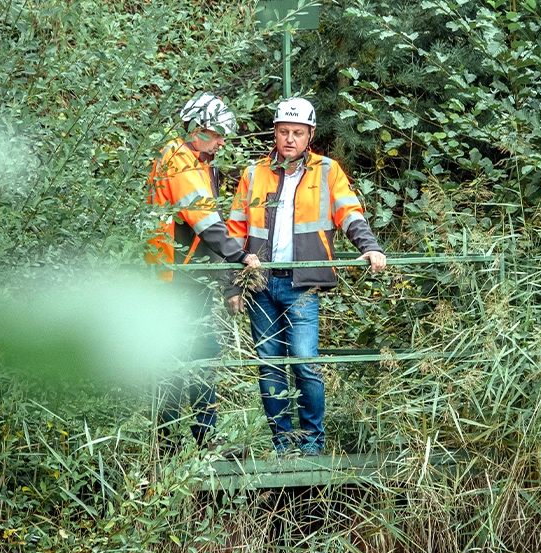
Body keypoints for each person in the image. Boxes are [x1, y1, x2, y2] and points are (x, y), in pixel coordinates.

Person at [226, 97, 386, 456]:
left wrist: (370, 246)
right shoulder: (254, 174)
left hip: (303, 284)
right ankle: (283, 445)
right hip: (260, 284)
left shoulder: (328, 171)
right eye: (284, 131)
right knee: (269, 365)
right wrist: (232, 285)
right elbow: (235, 229)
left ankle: (312, 444)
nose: (290, 139)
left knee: (305, 362)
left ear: (310, 134)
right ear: (275, 133)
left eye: (298, 132)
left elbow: (349, 213)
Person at [146, 93, 260, 454]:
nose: (222, 141)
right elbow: (208, 225)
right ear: (197, 130)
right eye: (217, 134)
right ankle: (188, 440)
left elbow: (205, 230)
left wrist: (225, 277)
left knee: (192, 352)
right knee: (191, 353)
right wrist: (240, 255)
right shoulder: (180, 161)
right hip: (174, 278)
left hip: (182, 275)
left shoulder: (194, 161)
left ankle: (181, 440)